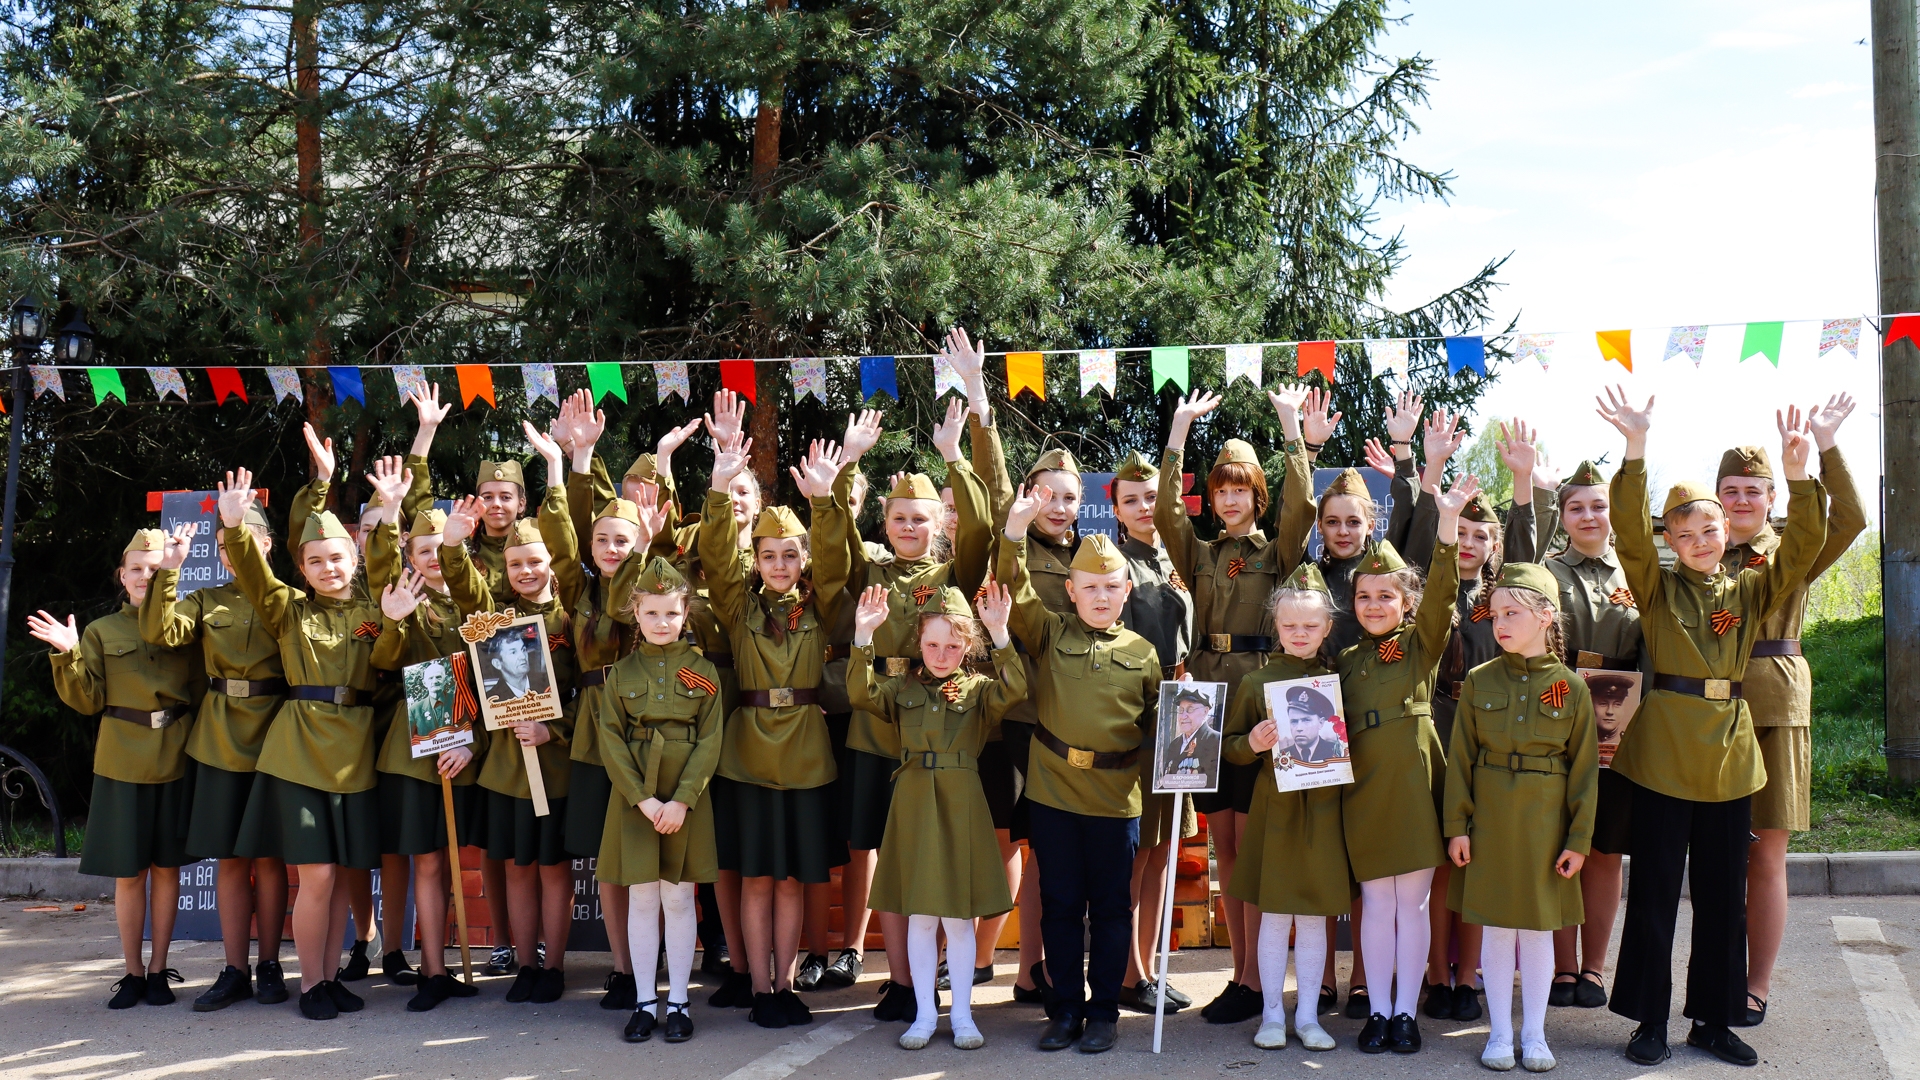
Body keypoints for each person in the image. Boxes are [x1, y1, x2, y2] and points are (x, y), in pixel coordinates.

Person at [1594, 387, 1826, 1068]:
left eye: (1709, 531)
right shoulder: (1656, 587)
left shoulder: (1752, 588)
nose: (1697, 542)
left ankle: (1715, 1020)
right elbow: (1630, 532)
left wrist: (1799, 474)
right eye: (1684, 534)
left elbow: (1805, 544)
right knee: (1659, 895)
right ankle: (1648, 1024)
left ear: (1728, 532)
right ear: (1670, 541)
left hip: (1728, 757)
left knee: (1724, 896)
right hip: (1664, 754)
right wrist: (1635, 448)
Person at [807, 396, 994, 1019]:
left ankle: (933, 972)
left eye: (920, 520)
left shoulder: (952, 574)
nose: (908, 529)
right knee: (877, 851)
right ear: (884, 522)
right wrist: (841, 476)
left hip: (936, 727)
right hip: (873, 721)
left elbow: (981, 530)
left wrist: (954, 457)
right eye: (898, 520)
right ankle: (899, 977)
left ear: (937, 524)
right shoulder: (872, 569)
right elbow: (831, 558)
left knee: (933, 852)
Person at [214, 455, 406, 1020]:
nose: (328, 567)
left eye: (337, 557)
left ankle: (328, 978)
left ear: (354, 558)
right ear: (302, 567)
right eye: (316, 560)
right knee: (317, 873)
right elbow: (252, 572)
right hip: (297, 754)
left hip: (354, 754)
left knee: (345, 870)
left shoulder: (374, 613)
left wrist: (390, 514)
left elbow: (388, 658)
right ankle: (313, 986)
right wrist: (232, 525)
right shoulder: (287, 609)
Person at [1157, 385, 1320, 1026]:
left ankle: (1258, 979)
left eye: (1242, 489)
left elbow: (1300, 506)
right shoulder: (1199, 553)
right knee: (1222, 843)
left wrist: (1290, 431)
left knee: (1252, 847)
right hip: (1202, 699)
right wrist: (1177, 435)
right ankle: (1240, 975)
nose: (1231, 498)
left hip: (1256, 696)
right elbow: (1169, 514)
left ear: (1255, 495)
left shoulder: (1276, 554)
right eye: (1222, 489)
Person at [1713, 394, 1864, 1030]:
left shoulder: (1793, 550)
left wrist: (1824, 452)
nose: (1742, 501)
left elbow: (1851, 519)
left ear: (1771, 496)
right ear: (1717, 496)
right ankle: (1713, 976)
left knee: (1765, 853)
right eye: (1732, 490)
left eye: (1754, 489)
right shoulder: (1696, 547)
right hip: (1708, 712)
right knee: (1716, 854)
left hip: (1775, 704)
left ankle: (1755, 984)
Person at [999, 486, 1161, 1054]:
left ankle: (1104, 1015)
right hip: (1054, 791)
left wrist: (1188, 715)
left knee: (1113, 908)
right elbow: (1016, 593)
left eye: (1109, 587)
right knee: (1062, 905)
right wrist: (1015, 532)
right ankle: (1064, 1009)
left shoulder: (1145, 654)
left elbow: (1161, 726)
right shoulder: (1049, 633)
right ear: (1070, 591)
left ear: (1126, 590)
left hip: (1116, 798)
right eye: (1088, 586)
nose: (1099, 595)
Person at [1401, 415, 1552, 1024]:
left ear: (1492, 544)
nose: (1467, 543)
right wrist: (1430, 470)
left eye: (1478, 535)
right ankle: (1438, 974)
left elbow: (1527, 552)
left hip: (1490, 729)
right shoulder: (1428, 585)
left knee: (1478, 861)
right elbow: (1415, 545)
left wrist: (1522, 486)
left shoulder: (1503, 598)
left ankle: (1470, 976)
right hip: (1436, 726)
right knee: (1438, 860)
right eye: (1459, 531)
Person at [699, 425, 849, 1028]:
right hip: (751, 755)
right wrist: (717, 488)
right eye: (768, 555)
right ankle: (759, 986)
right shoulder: (740, 607)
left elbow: (839, 566)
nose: (780, 564)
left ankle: (785, 984)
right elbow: (715, 560)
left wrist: (825, 501)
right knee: (757, 879)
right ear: (754, 560)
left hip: (808, 753)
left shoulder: (819, 605)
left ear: (803, 558)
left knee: (792, 882)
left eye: (790, 554)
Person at [848, 581, 1026, 1050]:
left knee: (959, 920)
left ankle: (963, 1015)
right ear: (918, 642)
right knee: (922, 918)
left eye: (952, 645)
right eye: (931, 644)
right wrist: (863, 638)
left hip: (961, 802)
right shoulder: (901, 687)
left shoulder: (982, 689)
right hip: (912, 803)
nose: (941, 654)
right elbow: (861, 694)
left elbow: (1017, 688)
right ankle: (925, 1014)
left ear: (967, 646)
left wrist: (1001, 635)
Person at [439, 421, 581, 1005]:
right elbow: (465, 589)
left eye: (535, 561)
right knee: (518, 867)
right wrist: (451, 543)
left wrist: (555, 728)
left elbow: (590, 693)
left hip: (555, 759)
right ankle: (524, 964)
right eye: (516, 564)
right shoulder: (497, 617)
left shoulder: (574, 619)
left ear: (551, 561)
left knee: (551, 869)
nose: (525, 571)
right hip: (505, 764)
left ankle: (553, 966)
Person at [1336, 470, 1477, 1054]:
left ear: (1406, 602)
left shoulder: (1421, 645)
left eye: (1386, 596)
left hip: (1417, 784)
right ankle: (1377, 1010)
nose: (1374, 606)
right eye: (1364, 596)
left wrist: (1446, 521)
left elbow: (1445, 591)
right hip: (1365, 787)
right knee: (1375, 901)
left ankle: (1404, 1012)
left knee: (1414, 902)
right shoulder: (1344, 657)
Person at [31, 529, 199, 1010]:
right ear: (122, 576)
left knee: (168, 871)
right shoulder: (102, 631)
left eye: (155, 567)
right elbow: (87, 700)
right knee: (130, 875)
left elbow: (200, 691)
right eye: (137, 568)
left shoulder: (184, 624)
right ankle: (131, 972)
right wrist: (68, 652)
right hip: (122, 760)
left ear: (170, 571)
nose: (146, 575)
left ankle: (159, 970)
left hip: (175, 756)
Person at [1443, 562, 1600, 1072]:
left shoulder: (1573, 688)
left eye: (1513, 613)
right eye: (1495, 614)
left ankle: (1534, 1033)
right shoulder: (1477, 680)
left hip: (1544, 823)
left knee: (1536, 929)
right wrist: (1456, 826)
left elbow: (1583, 774)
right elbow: (1460, 760)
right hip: (1489, 819)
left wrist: (1578, 840)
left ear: (1546, 616)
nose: (1501, 623)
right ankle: (1499, 1034)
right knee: (1494, 928)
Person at [137, 506, 291, 1011]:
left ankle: (270, 965)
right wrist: (169, 569)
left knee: (269, 858)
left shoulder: (289, 601)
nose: (230, 555)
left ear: (265, 545)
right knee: (230, 858)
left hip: (274, 732)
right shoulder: (205, 599)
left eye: (240, 542)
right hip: (220, 735)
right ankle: (235, 970)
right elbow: (161, 631)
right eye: (223, 547)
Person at [360, 464, 489, 1012]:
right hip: (415, 751)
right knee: (429, 863)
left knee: (451, 858)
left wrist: (473, 741)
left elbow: (501, 679)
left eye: (443, 548)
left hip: (468, 746)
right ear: (409, 558)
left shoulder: (479, 598)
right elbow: (387, 658)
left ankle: (450, 964)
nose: (433, 558)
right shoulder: (403, 598)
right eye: (422, 551)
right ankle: (434, 970)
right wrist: (390, 512)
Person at [590, 557, 726, 1044]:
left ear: (685, 614)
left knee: (679, 898)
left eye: (671, 613)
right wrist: (644, 802)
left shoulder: (705, 671)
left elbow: (710, 739)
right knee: (643, 898)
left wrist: (682, 801)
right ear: (636, 614)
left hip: (686, 797)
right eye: (652, 614)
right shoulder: (620, 673)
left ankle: (680, 1002)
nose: (662, 623)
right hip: (637, 800)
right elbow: (611, 740)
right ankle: (645, 1001)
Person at [1221, 562, 1351, 1052]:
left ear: (1328, 628)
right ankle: (1272, 1015)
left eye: (1311, 626)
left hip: (1323, 812)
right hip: (1275, 812)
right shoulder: (1256, 684)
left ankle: (1310, 1016)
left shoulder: (1339, 680)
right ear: (1275, 627)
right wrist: (1251, 742)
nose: (1300, 634)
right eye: (1290, 625)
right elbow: (1230, 746)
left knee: (1315, 918)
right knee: (1274, 917)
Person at [1529, 458, 1644, 1010]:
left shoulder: (1639, 573)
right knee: (1560, 843)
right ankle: (1563, 966)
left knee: (1604, 849)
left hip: (1623, 717)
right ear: (1564, 515)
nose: (1589, 515)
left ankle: (1595, 968)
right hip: (1560, 709)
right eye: (1576, 507)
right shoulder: (1550, 570)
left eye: (1599, 505)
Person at [1107, 449, 1198, 1015]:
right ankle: (1126, 972)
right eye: (1132, 500)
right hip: (1141, 710)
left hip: (1182, 704)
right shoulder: (1115, 564)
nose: (1145, 508)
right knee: (1137, 852)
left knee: (1165, 848)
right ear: (1115, 509)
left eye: (1152, 498)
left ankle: (1147, 968)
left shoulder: (1169, 557)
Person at [1164, 688, 1222, 779]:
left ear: (1205, 711)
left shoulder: (1215, 740)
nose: (1183, 716)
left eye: (1190, 709)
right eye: (1181, 710)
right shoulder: (1174, 744)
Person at [1282, 687, 1344, 763]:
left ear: (1321, 723)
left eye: (1306, 720)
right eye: (1294, 721)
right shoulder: (1282, 756)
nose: (1299, 728)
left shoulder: (1337, 752)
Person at [1585, 674, 1636, 760]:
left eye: (1617, 704)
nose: (1609, 712)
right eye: (1603, 704)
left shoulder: (1629, 742)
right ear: (1592, 704)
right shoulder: (1582, 738)